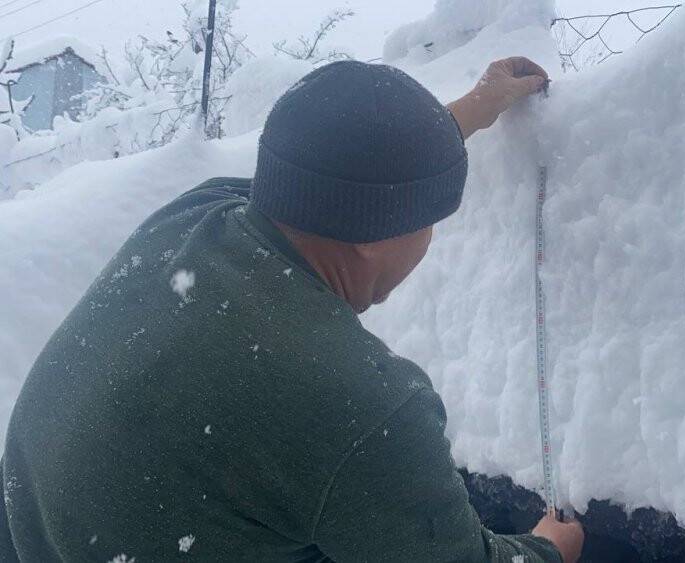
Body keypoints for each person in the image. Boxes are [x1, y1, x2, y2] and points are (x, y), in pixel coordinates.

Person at [0, 57, 584, 562]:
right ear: (377, 236)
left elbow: (322, 174)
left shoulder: (193, 216)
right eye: (429, 220)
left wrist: (467, 113)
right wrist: (549, 550)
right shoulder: (362, 407)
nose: (428, 239)